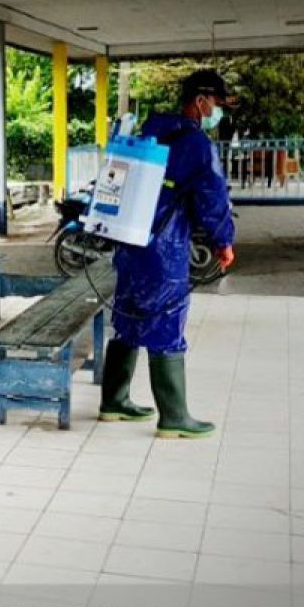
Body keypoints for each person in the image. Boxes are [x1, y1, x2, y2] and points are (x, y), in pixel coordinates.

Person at [100, 70, 236, 438]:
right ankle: (174, 417)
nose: (217, 111)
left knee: (128, 316)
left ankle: (113, 401)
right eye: (217, 104)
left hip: (129, 241)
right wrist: (224, 241)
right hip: (164, 246)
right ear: (200, 100)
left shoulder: (149, 130)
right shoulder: (195, 143)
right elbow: (212, 195)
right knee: (166, 321)